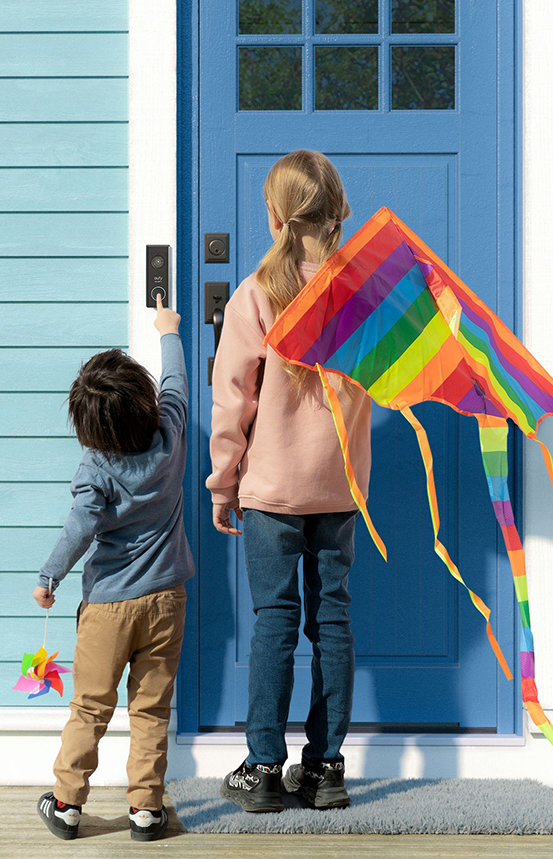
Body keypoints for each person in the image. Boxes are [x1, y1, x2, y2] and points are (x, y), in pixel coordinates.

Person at [208, 149, 368, 813]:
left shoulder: (257, 294)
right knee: (332, 617)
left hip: (271, 489)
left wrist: (223, 483)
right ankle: (326, 766)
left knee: (274, 620)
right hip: (339, 489)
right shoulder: (362, 296)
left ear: (275, 216)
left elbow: (231, 399)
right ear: (338, 214)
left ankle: (263, 767)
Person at [32, 293, 194, 842]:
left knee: (91, 707)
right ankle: (146, 811)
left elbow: (78, 528)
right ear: (145, 400)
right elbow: (177, 381)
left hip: (107, 609)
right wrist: (167, 329)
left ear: (89, 427)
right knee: (151, 709)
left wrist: (48, 578)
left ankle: (67, 804)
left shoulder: (94, 468)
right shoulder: (170, 434)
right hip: (168, 598)